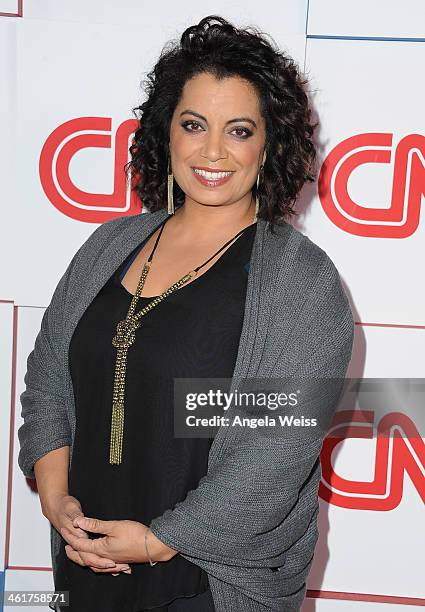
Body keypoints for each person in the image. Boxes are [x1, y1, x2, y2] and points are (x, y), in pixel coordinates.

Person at [18, 15, 354, 612]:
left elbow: (272, 460)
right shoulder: (107, 246)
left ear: (270, 143)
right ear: (166, 130)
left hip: (205, 586)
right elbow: (49, 380)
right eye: (194, 124)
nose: (214, 151)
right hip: (85, 568)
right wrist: (55, 497)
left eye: (240, 130)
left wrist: (155, 541)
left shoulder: (303, 282)